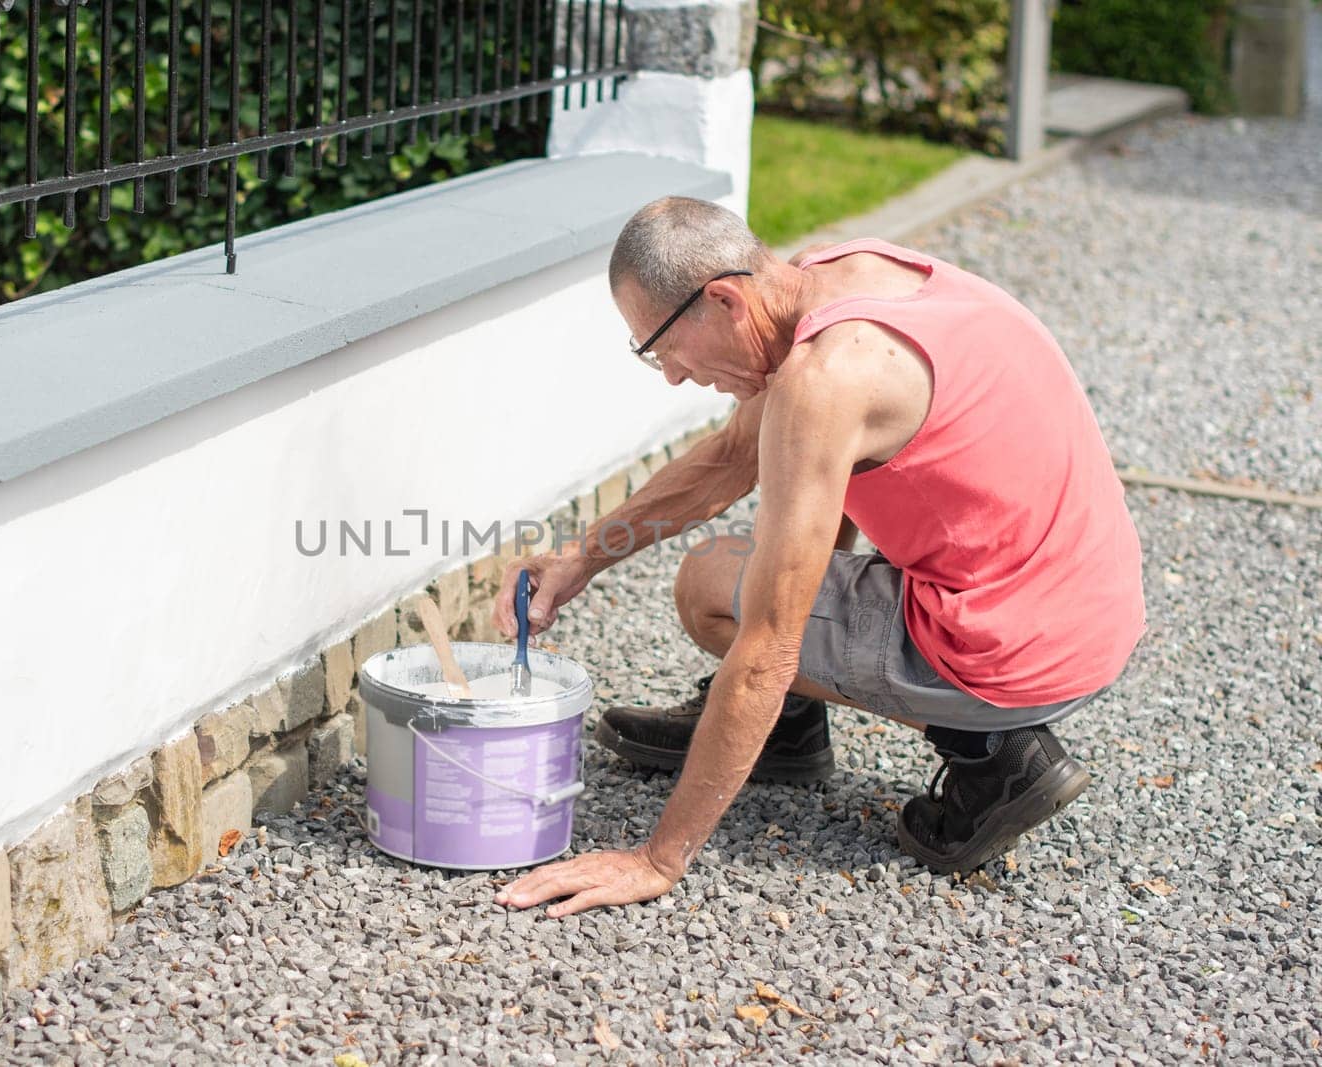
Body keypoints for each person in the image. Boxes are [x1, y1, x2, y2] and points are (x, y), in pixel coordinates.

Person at [490, 196, 1145, 919]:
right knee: (752, 565)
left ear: (725, 299)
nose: (672, 375)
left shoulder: (826, 379)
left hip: (1018, 651)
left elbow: (770, 645)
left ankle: (992, 751)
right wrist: (581, 557)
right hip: (1088, 604)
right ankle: (786, 731)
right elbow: (733, 457)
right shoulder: (833, 273)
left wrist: (655, 858)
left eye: (662, 346)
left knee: (711, 587)